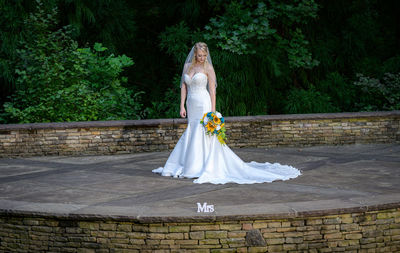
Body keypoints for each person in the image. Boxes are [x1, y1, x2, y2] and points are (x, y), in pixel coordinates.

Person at [152, 42, 301, 184]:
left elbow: (212, 90)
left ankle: (202, 165)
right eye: (199, 55)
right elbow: (183, 87)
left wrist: (212, 112)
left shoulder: (208, 67)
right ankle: (188, 163)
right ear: (194, 54)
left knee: (203, 131)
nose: (202, 58)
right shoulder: (187, 66)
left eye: (204, 55)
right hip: (191, 104)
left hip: (204, 102)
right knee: (192, 130)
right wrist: (182, 106)